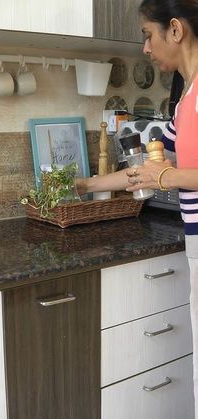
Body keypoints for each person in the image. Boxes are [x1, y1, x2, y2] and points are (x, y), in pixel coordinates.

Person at [76, 0, 198, 415]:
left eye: (149, 35)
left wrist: (164, 177)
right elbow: (145, 169)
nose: (145, 48)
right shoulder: (185, 103)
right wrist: (87, 184)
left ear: (175, 31)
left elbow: (160, 173)